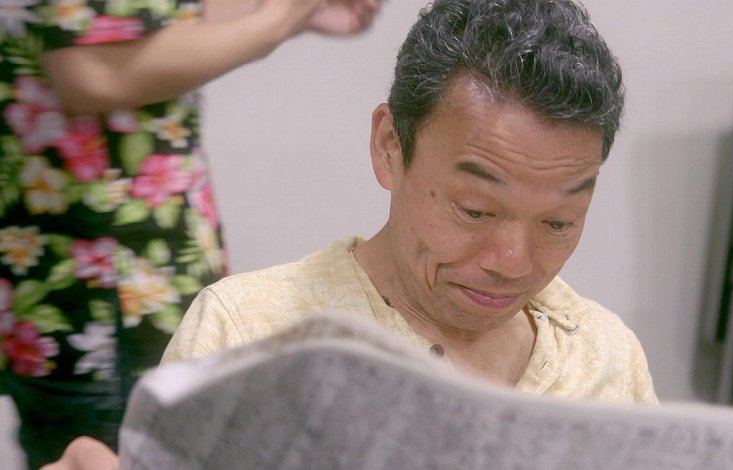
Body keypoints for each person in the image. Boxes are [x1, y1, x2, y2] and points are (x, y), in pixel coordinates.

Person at [43, 0, 657, 467]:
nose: (512, 261)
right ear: (390, 146)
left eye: (558, 222)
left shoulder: (603, 355)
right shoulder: (251, 331)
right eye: (474, 210)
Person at [0, 0, 382, 468]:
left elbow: (138, 20)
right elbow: (90, 69)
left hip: (126, 283)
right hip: (101, 298)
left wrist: (290, 14)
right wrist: (274, 20)